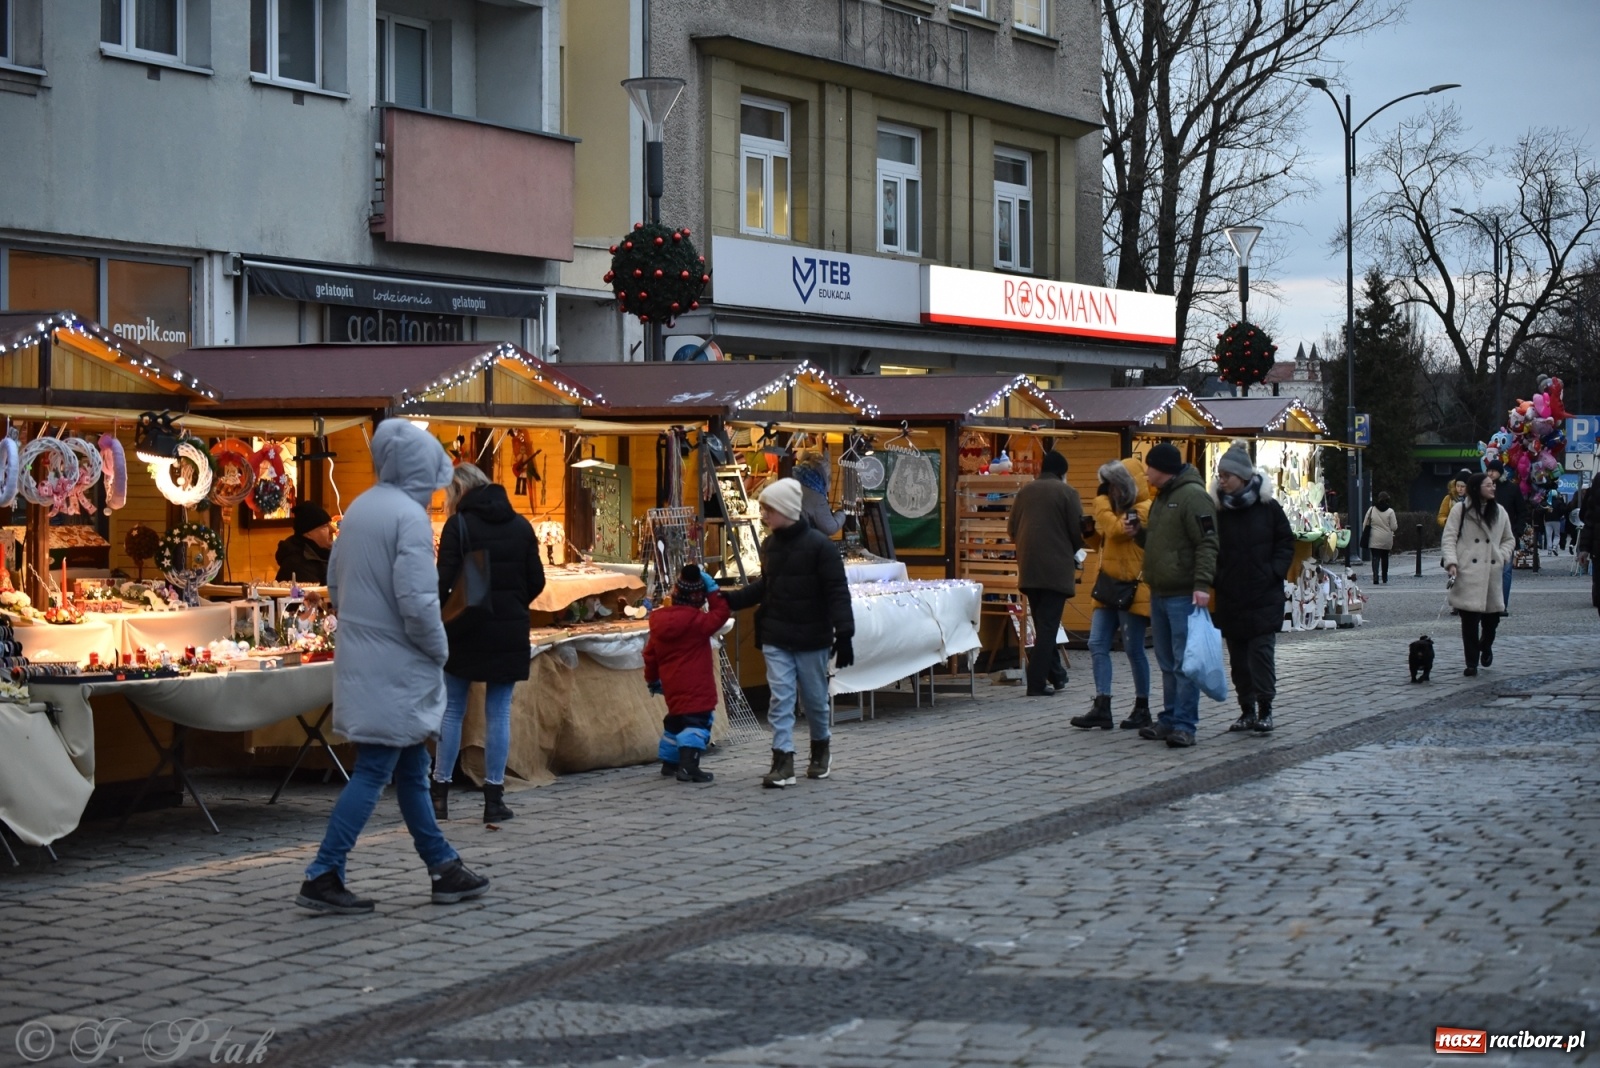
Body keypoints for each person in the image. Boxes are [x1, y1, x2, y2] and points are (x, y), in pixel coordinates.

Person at [296, 419, 488, 915]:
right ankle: (323, 871)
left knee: (411, 768)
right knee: (377, 769)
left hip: (365, 656)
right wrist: (438, 649)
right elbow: (418, 602)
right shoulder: (409, 517)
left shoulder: (360, 508)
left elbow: (335, 585)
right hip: (398, 663)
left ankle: (443, 866)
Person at [432, 462, 546, 824]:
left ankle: (439, 796)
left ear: (458, 492)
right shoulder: (521, 525)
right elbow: (537, 580)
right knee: (498, 712)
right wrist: (512, 603)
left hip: (464, 628)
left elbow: (443, 583)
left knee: (453, 709)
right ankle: (494, 798)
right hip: (509, 629)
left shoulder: (459, 525)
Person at [722, 477, 854, 788]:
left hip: (812, 636)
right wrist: (730, 600)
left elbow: (837, 592)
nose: (764, 515)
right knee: (781, 698)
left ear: (786, 509)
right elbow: (767, 586)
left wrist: (845, 633)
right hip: (776, 634)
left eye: (769, 509)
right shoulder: (770, 546)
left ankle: (820, 748)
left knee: (814, 699)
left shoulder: (821, 547)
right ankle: (782, 760)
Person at [1134, 442, 1218, 749]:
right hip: (1160, 591)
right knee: (1168, 661)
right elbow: (1162, 543)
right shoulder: (1162, 497)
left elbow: (1207, 542)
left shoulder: (1193, 496)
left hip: (1183, 594)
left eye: (1150, 466)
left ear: (1163, 469)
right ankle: (1169, 718)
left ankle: (1185, 724)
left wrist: (1202, 584)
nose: (1146, 472)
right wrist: (1138, 535)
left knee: (1185, 662)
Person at [1211, 444, 1296, 734]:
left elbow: (1285, 541)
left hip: (1263, 595)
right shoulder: (1218, 510)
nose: (1222, 480)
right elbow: (1208, 545)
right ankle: (1246, 710)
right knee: (1238, 661)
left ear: (1243, 476)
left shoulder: (1268, 507)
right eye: (1220, 475)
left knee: (1261, 656)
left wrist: (1274, 571)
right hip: (1231, 595)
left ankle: (1265, 709)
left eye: (1227, 475)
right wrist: (1218, 577)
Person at [1070, 458, 1151, 730]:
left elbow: (1117, 533)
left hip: (1132, 589)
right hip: (1107, 586)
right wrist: (1090, 534)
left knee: (1133, 649)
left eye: (1114, 485)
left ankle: (1142, 706)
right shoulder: (1115, 511)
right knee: (1096, 643)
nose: (1111, 491)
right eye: (1108, 486)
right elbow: (1107, 544)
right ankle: (1102, 704)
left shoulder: (1142, 510)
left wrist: (1100, 501)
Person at [1007, 450, 1087, 698]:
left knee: (1043, 624)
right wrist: (1074, 549)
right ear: (1062, 472)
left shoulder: (1024, 492)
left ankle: (1057, 675)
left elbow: (1011, 529)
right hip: (1055, 570)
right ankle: (1036, 682)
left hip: (1029, 567)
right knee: (1049, 627)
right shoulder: (1067, 493)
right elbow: (1077, 532)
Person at [644, 565, 731, 784]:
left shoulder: (658, 623)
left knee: (676, 721)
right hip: (697, 686)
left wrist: (652, 680)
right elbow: (722, 612)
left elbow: (650, 655)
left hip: (672, 684)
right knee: (696, 723)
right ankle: (689, 767)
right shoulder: (698, 622)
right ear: (698, 598)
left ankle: (670, 763)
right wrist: (713, 590)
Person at [1441, 471, 1514, 676]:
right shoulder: (1460, 510)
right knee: (1469, 621)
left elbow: (1509, 539)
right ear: (1476, 488)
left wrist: (1502, 555)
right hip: (1468, 571)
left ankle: (1486, 644)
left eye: (1493, 484)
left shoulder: (1499, 511)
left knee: (1492, 621)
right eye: (1488, 485)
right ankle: (1471, 662)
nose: (1493, 487)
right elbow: (1449, 538)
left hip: (1491, 572)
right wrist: (1451, 562)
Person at [1486, 459, 1528, 605]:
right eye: (1489, 470)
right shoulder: (1484, 489)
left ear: (1500, 472)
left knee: (1506, 570)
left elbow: (1522, 511)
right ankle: (1489, 603)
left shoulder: (1512, 489)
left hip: (1507, 535)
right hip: (1487, 535)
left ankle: (1502, 604)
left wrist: (1518, 531)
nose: (1490, 473)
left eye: (1493, 471)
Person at [793, 450, 850, 535]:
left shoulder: (791, 475)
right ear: (824, 475)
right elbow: (830, 527)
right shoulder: (815, 495)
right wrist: (842, 513)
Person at [275, 501, 333, 584]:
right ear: (308, 533)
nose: (333, 530)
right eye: (325, 526)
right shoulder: (295, 566)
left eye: (330, 524)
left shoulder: (325, 556)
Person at [1363, 492, 1399, 584]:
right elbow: (1394, 527)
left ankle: (1375, 576)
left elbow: (1365, 523)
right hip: (1386, 538)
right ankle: (1384, 577)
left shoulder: (1372, 509)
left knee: (1375, 557)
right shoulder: (1390, 511)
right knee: (1385, 557)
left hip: (1374, 537)